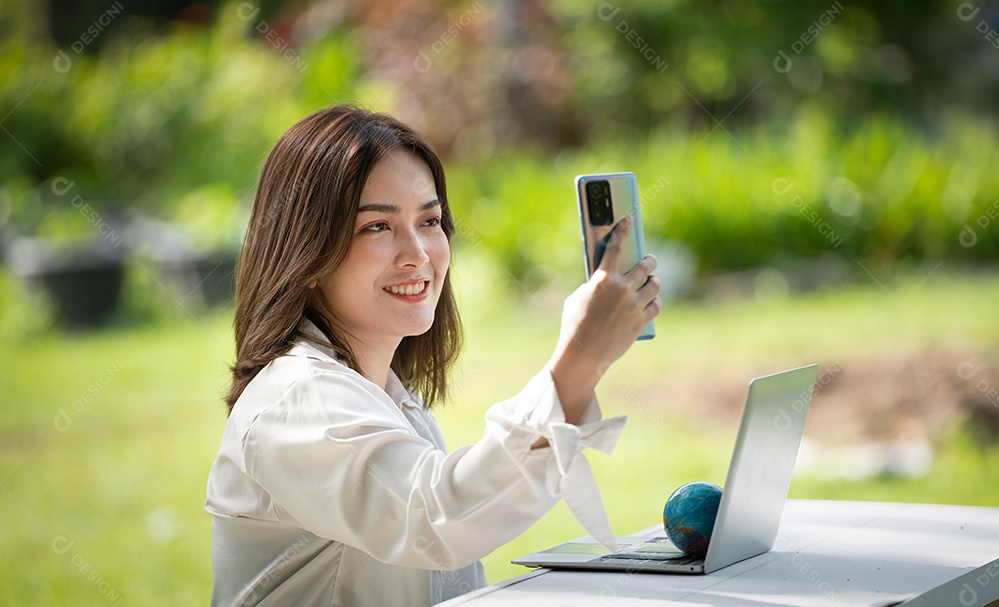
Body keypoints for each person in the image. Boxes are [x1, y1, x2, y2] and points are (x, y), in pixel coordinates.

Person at [205, 105, 661, 606]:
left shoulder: (391, 400)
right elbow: (436, 519)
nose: (418, 253)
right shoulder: (296, 399)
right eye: (377, 226)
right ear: (307, 253)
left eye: (430, 220)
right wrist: (581, 355)